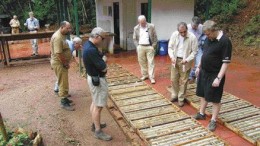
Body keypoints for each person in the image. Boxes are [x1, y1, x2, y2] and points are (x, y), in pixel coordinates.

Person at [193, 20, 232, 132]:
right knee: (203, 94)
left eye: (208, 34)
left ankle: (213, 120)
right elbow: (204, 53)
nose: (207, 36)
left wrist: (219, 78)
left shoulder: (225, 41)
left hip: (215, 74)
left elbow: (226, 62)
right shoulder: (208, 38)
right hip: (204, 71)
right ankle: (201, 113)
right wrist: (199, 67)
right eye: (205, 34)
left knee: (215, 98)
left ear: (214, 30)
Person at [83, 27, 112, 141]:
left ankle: (95, 124)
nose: (103, 40)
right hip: (97, 79)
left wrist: (102, 58)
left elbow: (100, 59)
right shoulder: (91, 50)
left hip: (93, 77)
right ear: (96, 37)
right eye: (102, 38)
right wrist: (104, 60)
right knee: (98, 106)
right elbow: (103, 67)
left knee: (95, 103)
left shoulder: (89, 46)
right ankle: (98, 131)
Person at [168, 22, 198, 107]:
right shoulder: (174, 35)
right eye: (181, 32)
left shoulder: (192, 37)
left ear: (187, 29)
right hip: (175, 59)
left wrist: (187, 60)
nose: (183, 34)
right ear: (178, 31)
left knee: (184, 81)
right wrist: (171, 57)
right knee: (173, 79)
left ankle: (181, 98)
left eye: (184, 31)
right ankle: (175, 94)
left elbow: (195, 51)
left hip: (186, 61)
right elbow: (170, 47)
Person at [50, 21, 74, 111]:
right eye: (68, 28)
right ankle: (63, 102)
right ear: (62, 27)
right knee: (62, 82)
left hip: (61, 63)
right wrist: (65, 63)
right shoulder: (57, 37)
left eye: (69, 28)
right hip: (59, 63)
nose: (69, 30)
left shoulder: (62, 35)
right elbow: (59, 53)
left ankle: (66, 98)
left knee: (64, 80)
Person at [133, 15, 158, 84]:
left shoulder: (151, 26)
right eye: (142, 23)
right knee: (142, 62)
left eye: (144, 22)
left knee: (151, 62)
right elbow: (134, 38)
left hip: (149, 47)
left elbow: (155, 37)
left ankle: (151, 77)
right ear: (139, 22)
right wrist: (137, 46)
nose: (143, 24)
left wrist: (153, 46)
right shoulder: (136, 28)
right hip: (140, 46)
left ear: (145, 20)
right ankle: (145, 75)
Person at [187, 16, 206, 83]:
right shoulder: (187, 28)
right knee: (188, 63)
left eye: (196, 26)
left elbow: (205, 35)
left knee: (198, 63)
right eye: (193, 25)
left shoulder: (202, 27)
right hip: (189, 48)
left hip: (198, 47)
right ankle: (188, 77)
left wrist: (203, 41)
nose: (194, 27)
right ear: (191, 23)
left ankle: (193, 76)